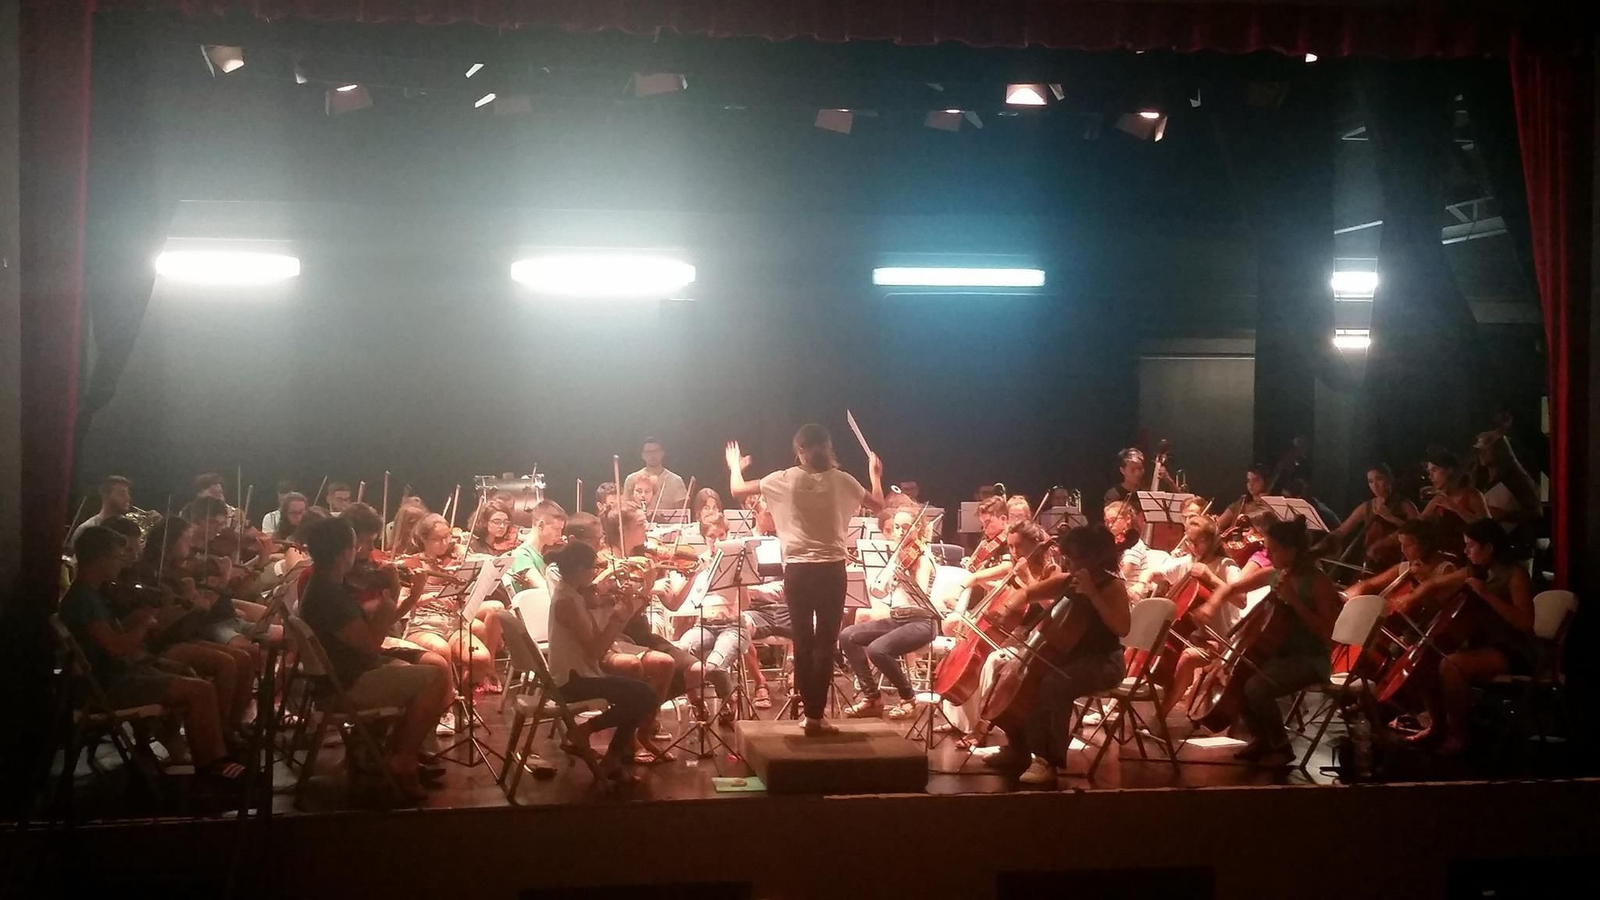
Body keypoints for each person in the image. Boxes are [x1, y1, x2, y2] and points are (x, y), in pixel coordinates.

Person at [726, 423, 885, 736]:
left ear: (799, 450)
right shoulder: (843, 480)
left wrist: (734, 466)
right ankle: (815, 716)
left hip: (798, 571)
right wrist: (875, 474)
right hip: (832, 569)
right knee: (825, 643)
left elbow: (737, 490)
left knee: (802, 640)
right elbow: (878, 504)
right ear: (828, 448)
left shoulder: (782, 479)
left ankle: (808, 712)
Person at [60, 526, 245, 784]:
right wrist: (145, 625)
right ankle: (211, 765)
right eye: (116, 557)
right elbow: (117, 647)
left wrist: (137, 618)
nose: (122, 562)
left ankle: (195, 748)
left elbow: (107, 636)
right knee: (200, 690)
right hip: (109, 686)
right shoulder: (84, 600)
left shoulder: (89, 594)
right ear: (99, 558)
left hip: (113, 676)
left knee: (185, 673)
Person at [298, 517, 452, 799]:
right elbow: (371, 644)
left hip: (346, 672)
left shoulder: (327, 584)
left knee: (426, 664)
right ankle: (403, 762)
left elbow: (364, 635)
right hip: (346, 685)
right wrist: (389, 605)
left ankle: (386, 756)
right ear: (343, 553)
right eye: (355, 546)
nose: (359, 552)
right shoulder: (328, 595)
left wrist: (402, 601)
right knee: (436, 677)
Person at [1192, 518, 1339, 764]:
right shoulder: (1277, 574)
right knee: (1242, 675)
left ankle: (1281, 746)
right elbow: (1231, 588)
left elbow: (1327, 632)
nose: (1267, 555)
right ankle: (1261, 740)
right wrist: (1211, 605)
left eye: (1273, 550)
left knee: (1255, 686)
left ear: (1291, 551)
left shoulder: (1318, 583)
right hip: (1277, 655)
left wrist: (1294, 601)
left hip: (1310, 659)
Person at [998, 524, 1131, 786]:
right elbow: (1027, 592)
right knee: (1017, 674)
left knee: (1053, 683)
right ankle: (1018, 747)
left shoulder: (1113, 586)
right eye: (1068, 558)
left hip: (1104, 662)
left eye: (1076, 558)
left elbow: (1122, 628)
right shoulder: (1068, 580)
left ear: (1095, 557)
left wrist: (1093, 594)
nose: (1070, 564)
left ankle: (1048, 760)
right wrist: (1005, 610)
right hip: (1068, 658)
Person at [1391, 517, 1535, 755]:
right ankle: (1437, 725)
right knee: (1429, 657)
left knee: (1452, 665)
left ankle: (1458, 735)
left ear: (1489, 547)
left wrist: (1486, 594)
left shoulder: (1515, 574)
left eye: (1470, 545)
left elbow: (1525, 623)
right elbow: (1436, 584)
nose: (1465, 551)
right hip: (1484, 645)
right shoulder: (1475, 571)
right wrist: (1414, 596)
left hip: (1515, 649)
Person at [544, 540, 662, 784]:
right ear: (580, 569)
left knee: (641, 694)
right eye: (593, 568)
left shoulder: (573, 595)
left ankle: (610, 755)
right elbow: (595, 651)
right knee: (644, 695)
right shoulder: (566, 601)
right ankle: (587, 734)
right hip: (572, 681)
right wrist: (618, 617)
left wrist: (614, 607)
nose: (595, 574)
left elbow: (595, 636)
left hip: (582, 674)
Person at [840, 506, 939, 720]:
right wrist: (887, 573)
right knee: (847, 636)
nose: (901, 531)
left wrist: (905, 573)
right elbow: (879, 591)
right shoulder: (896, 557)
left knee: (877, 650)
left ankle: (908, 697)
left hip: (922, 621)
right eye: (897, 527)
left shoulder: (923, 558)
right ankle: (872, 697)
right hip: (897, 618)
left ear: (918, 529)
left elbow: (920, 595)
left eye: (906, 527)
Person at [1144, 514, 1242, 722]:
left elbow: (1241, 600)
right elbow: (1154, 573)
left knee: (1188, 657)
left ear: (1210, 541)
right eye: (1189, 541)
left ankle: (1160, 717)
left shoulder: (1227, 565)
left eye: (1197, 542)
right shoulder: (1188, 562)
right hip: (1191, 635)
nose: (1192, 547)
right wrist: (1141, 582)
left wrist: (1210, 578)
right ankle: (1118, 703)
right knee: (1144, 645)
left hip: (1222, 639)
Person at [399, 513, 506, 692]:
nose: (444, 543)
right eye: (436, 539)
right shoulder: (413, 564)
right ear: (423, 539)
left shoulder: (455, 562)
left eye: (447, 537)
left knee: (481, 659)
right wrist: (429, 597)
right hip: (424, 626)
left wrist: (462, 597)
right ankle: (447, 697)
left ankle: (461, 693)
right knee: (441, 649)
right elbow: (401, 602)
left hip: (453, 625)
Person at [1313, 464, 1418, 571]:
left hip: (1397, 564)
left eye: (1379, 479)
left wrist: (1390, 517)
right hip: (1371, 562)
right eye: (1370, 481)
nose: (1375, 486)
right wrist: (1320, 547)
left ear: (1389, 479)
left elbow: (1417, 531)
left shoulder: (1405, 505)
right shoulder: (1367, 506)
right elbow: (1342, 530)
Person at [1472, 432, 1541, 556]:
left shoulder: (1517, 479)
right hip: (1486, 545)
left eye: (1486, 450)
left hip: (1514, 545)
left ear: (1499, 451)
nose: (1481, 454)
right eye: (1480, 450)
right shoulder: (1479, 478)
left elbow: (1537, 513)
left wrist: (1506, 515)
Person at [1420, 448, 1488, 554]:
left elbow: (1487, 526)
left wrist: (1456, 508)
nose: (1430, 476)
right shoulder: (1439, 498)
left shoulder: (1471, 495)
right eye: (1429, 472)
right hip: (1444, 552)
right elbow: (1419, 522)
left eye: (1434, 470)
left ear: (1450, 470)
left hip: (1468, 553)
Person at [506, 499, 567, 594]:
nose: (559, 535)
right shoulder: (522, 555)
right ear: (541, 525)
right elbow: (543, 587)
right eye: (556, 529)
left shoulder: (544, 552)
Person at [623, 437, 689, 511]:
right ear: (643, 455)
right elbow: (625, 508)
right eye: (648, 452)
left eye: (656, 451)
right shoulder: (631, 479)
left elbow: (682, 511)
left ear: (662, 453)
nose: (652, 455)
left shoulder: (676, 480)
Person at [72, 475, 132, 545]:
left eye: (128, 493)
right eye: (121, 493)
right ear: (106, 495)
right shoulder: (87, 529)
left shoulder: (130, 528)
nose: (128, 498)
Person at [1219, 464, 1275, 532]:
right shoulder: (1243, 501)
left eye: (1255, 480)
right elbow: (1220, 522)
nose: (1250, 484)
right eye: (1248, 480)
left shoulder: (1272, 505)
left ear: (1265, 481)